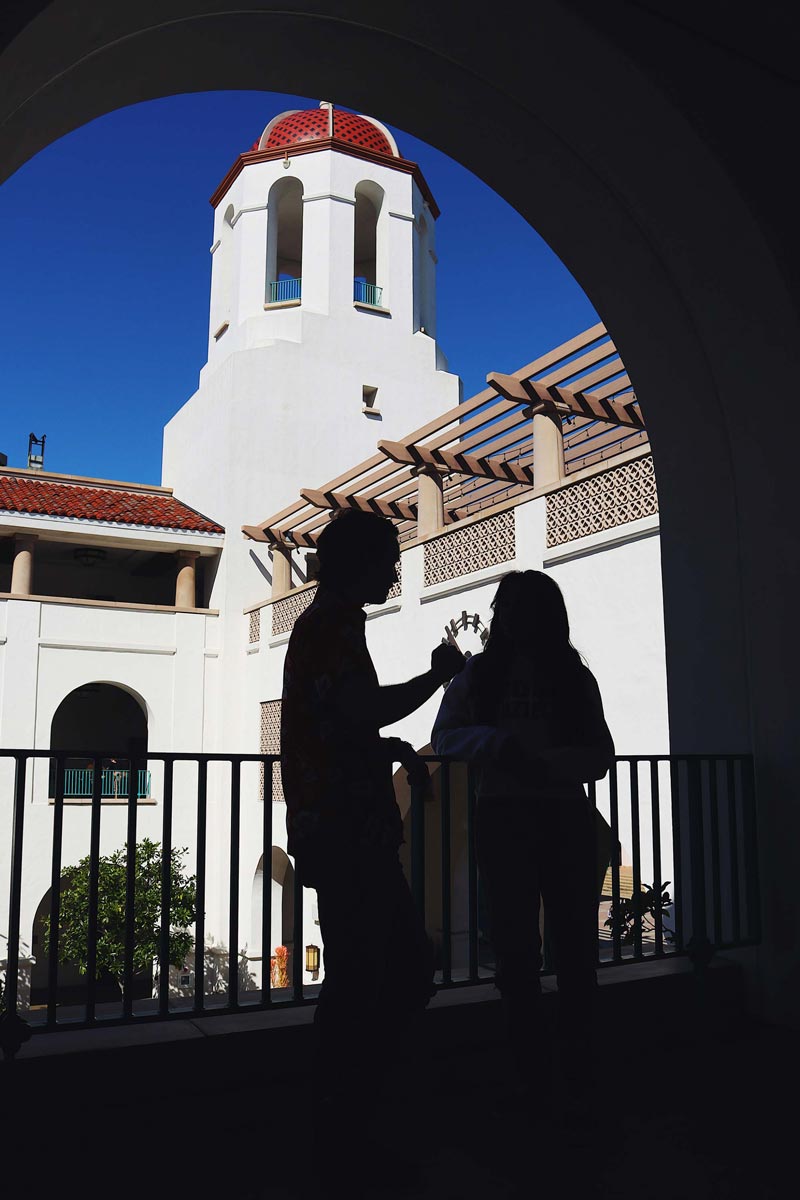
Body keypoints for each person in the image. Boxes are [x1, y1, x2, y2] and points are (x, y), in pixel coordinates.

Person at [280, 509, 464, 1188]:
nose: (393, 568)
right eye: (386, 556)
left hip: (339, 827)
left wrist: (386, 750)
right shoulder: (331, 624)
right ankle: (346, 1129)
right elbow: (364, 710)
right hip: (348, 830)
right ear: (358, 560)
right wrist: (437, 675)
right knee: (386, 974)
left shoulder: (327, 624)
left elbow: (337, 724)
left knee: (373, 972)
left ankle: (344, 1124)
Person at [431, 570, 614, 1115]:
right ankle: (540, 1075)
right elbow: (444, 736)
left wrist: (538, 763)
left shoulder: (573, 679)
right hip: (510, 817)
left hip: (554, 818)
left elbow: (600, 752)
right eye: (506, 608)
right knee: (518, 953)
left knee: (573, 948)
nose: (511, 618)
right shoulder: (480, 677)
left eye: (521, 608)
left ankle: (570, 1072)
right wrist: (497, 745)